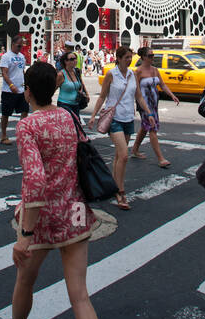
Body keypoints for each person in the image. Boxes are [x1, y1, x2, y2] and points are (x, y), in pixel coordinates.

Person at [0, 61, 106, 319]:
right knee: (80, 296)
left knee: (25, 282)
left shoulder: (28, 126)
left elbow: (36, 182)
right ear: (54, 89)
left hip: (41, 218)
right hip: (75, 212)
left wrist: (24, 235)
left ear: (27, 92)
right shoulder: (68, 117)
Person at [88, 45, 138, 210]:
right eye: (126, 58)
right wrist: (94, 115)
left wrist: (149, 114)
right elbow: (102, 96)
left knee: (119, 155)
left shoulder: (132, 74)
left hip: (128, 118)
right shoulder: (111, 74)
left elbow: (138, 96)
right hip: (114, 118)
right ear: (118, 58)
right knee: (124, 155)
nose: (129, 60)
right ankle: (120, 190)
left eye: (131, 57)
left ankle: (114, 187)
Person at [130, 46, 179, 168]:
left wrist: (172, 95)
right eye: (150, 56)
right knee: (152, 127)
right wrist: (141, 105)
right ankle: (160, 158)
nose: (153, 58)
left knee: (145, 126)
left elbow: (162, 85)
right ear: (143, 57)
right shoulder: (138, 72)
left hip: (154, 103)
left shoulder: (155, 70)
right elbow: (137, 91)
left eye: (153, 56)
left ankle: (135, 149)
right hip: (144, 104)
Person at [0, 35, 29, 146]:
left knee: (25, 110)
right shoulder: (6, 56)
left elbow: (22, 71)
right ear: (13, 44)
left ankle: (20, 132)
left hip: (21, 89)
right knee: (6, 114)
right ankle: (3, 135)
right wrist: (11, 85)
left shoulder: (21, 56)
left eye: (21, 46)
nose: (20, 48)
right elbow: (4, 73)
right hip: (8, 91)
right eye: (18, 46)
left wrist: (27, 84)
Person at [56, 49, 88, 122]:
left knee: (76, 127)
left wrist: (86, 94)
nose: (75, 61)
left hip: (76, 104)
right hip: (64, 104)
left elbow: (81, 83)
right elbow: (54, 88)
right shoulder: (61, 74)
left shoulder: (76, 71)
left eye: (75, 58)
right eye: (72, 59)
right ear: (66, 61)